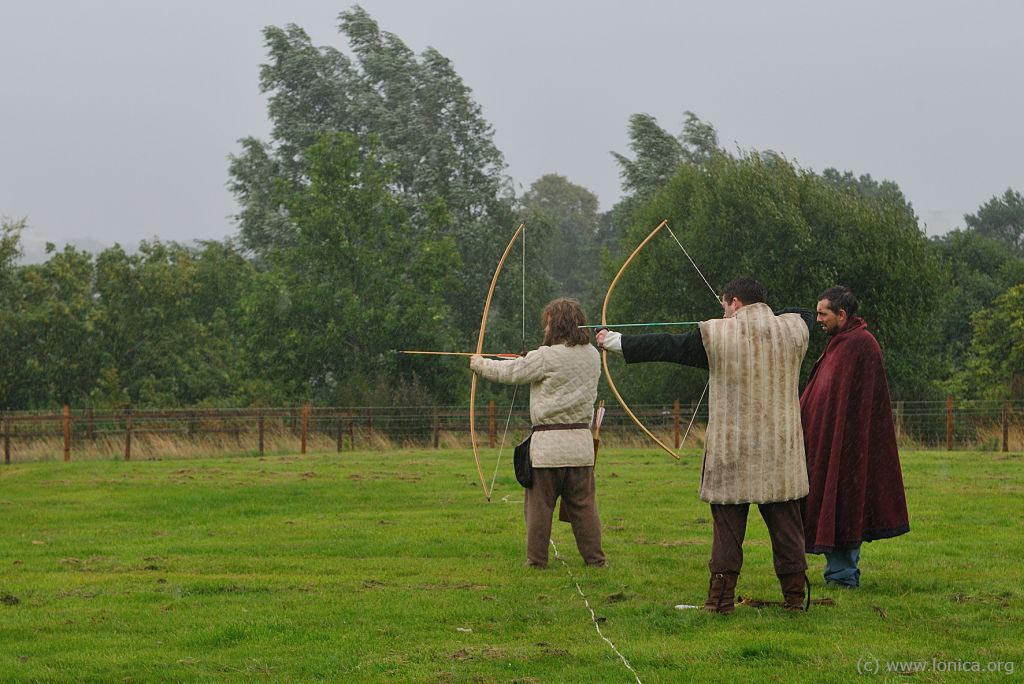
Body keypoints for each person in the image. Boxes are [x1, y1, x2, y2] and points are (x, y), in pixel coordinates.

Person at [598, 277, 811, 612]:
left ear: (735, 302)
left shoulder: (717, 335)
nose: (723, 313)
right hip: (780, 453)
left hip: (733, 452)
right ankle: (795, 600)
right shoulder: (795, 331)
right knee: (787, 529)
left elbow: (669, 346)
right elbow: (803, 313)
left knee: (728, 531)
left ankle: (721, 601)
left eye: (724, 305)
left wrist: (615, 341)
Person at [470, 298, 605, 569]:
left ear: (556, 324)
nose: (545, 327)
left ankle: (536, 562)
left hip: (548, 449)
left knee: (539, 509)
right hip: (581, 447)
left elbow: (511, 372)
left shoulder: (546, 356)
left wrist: (479, 363)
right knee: (584, 507)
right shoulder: (592, 355)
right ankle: (596, 561)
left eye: (548, 322)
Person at [800, 286, 909, 588]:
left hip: (850, 449)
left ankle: (843, 575)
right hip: (832, 444)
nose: (817, 318)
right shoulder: (839, 343)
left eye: (823, 313)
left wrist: (843, 442)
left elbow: (860, 407)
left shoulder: (861, 345)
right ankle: (839, 574)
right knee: (831, 505)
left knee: (845, 507)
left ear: (842, 314)